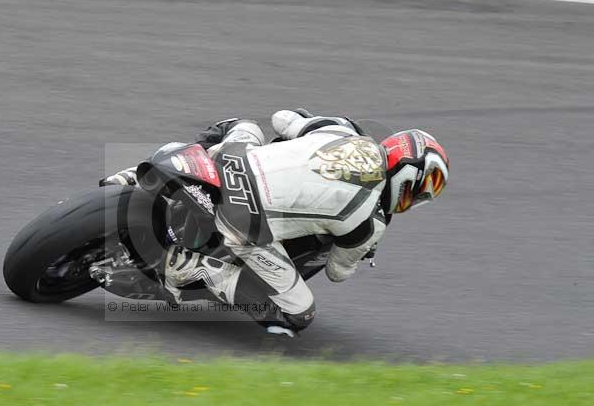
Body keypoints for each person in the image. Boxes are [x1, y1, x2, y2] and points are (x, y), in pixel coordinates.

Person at [101, 109, 449, 333]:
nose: (412, 201)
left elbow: (283, 117)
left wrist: (302, 128)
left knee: (241, 126)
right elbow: (337, 273)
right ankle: (187, 265)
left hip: (231, 167)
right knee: (299, 314)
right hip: (244, 222)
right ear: (408, 176)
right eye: (418, 192)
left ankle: (135, 175)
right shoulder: (367, 219)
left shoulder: (338, 132)